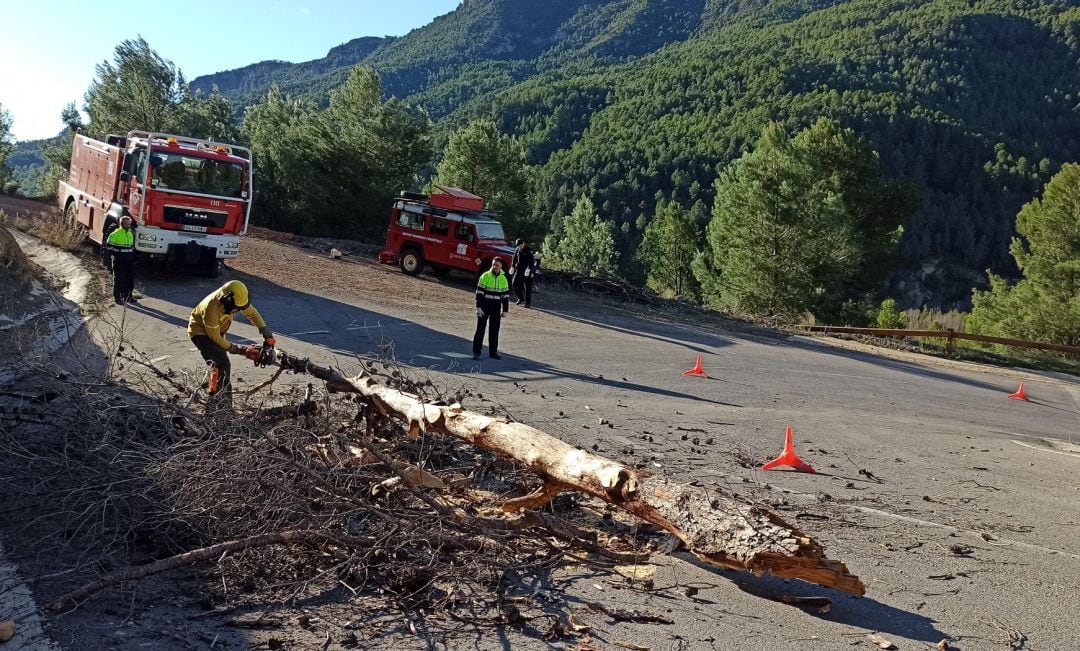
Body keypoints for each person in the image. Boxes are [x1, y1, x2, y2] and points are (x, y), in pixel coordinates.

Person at [187, 280, 275, 401]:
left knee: (217, 367)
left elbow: (252, 313)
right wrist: (234, 348)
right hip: (201, 333)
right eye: (236, 308)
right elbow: (214, 337)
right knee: (222, 364)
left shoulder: (236, 298)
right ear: (227, 300)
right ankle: (221, 406)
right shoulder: (211, 308)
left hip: (218, 331)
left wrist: (264, 329)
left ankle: (214, 397)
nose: (237, 310)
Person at [472, 258, 510, 360]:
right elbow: (479, 293)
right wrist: (478, 307)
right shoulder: (485, 276)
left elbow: (505, 296)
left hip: (496, 307)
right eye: (493, 264)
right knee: (480, 330)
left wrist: (505, 310)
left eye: (497, 265)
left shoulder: (503, 279)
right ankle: (476, 352)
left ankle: (493, 353)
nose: (495, 267)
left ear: (501, 266)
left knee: (494, 330)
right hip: (484, 305)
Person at [105, 215, 136, 304]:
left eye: (129, 223)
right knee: (119, 279)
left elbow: (131, 247)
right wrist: (115, 256)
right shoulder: (115, 234)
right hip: (119, 260)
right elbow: (108, 247)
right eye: (126, 223)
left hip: (129, 260)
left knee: (129, 279)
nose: (128, 225)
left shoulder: (130, 233)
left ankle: (128, 297)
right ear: (121, 224)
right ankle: (117, 298)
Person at [510, 239, 536, 307]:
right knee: (514, 284)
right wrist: (512, 266)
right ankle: (520, 298)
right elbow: (514, 258)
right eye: (519, 246)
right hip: (519, 270)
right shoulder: (517, 249)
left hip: (527, 271)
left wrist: (529, 269)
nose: (520, 247)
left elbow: (532, 261)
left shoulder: (529, 250)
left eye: (521, 246)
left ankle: (528, 303)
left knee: (527, 287)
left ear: (523, 243)